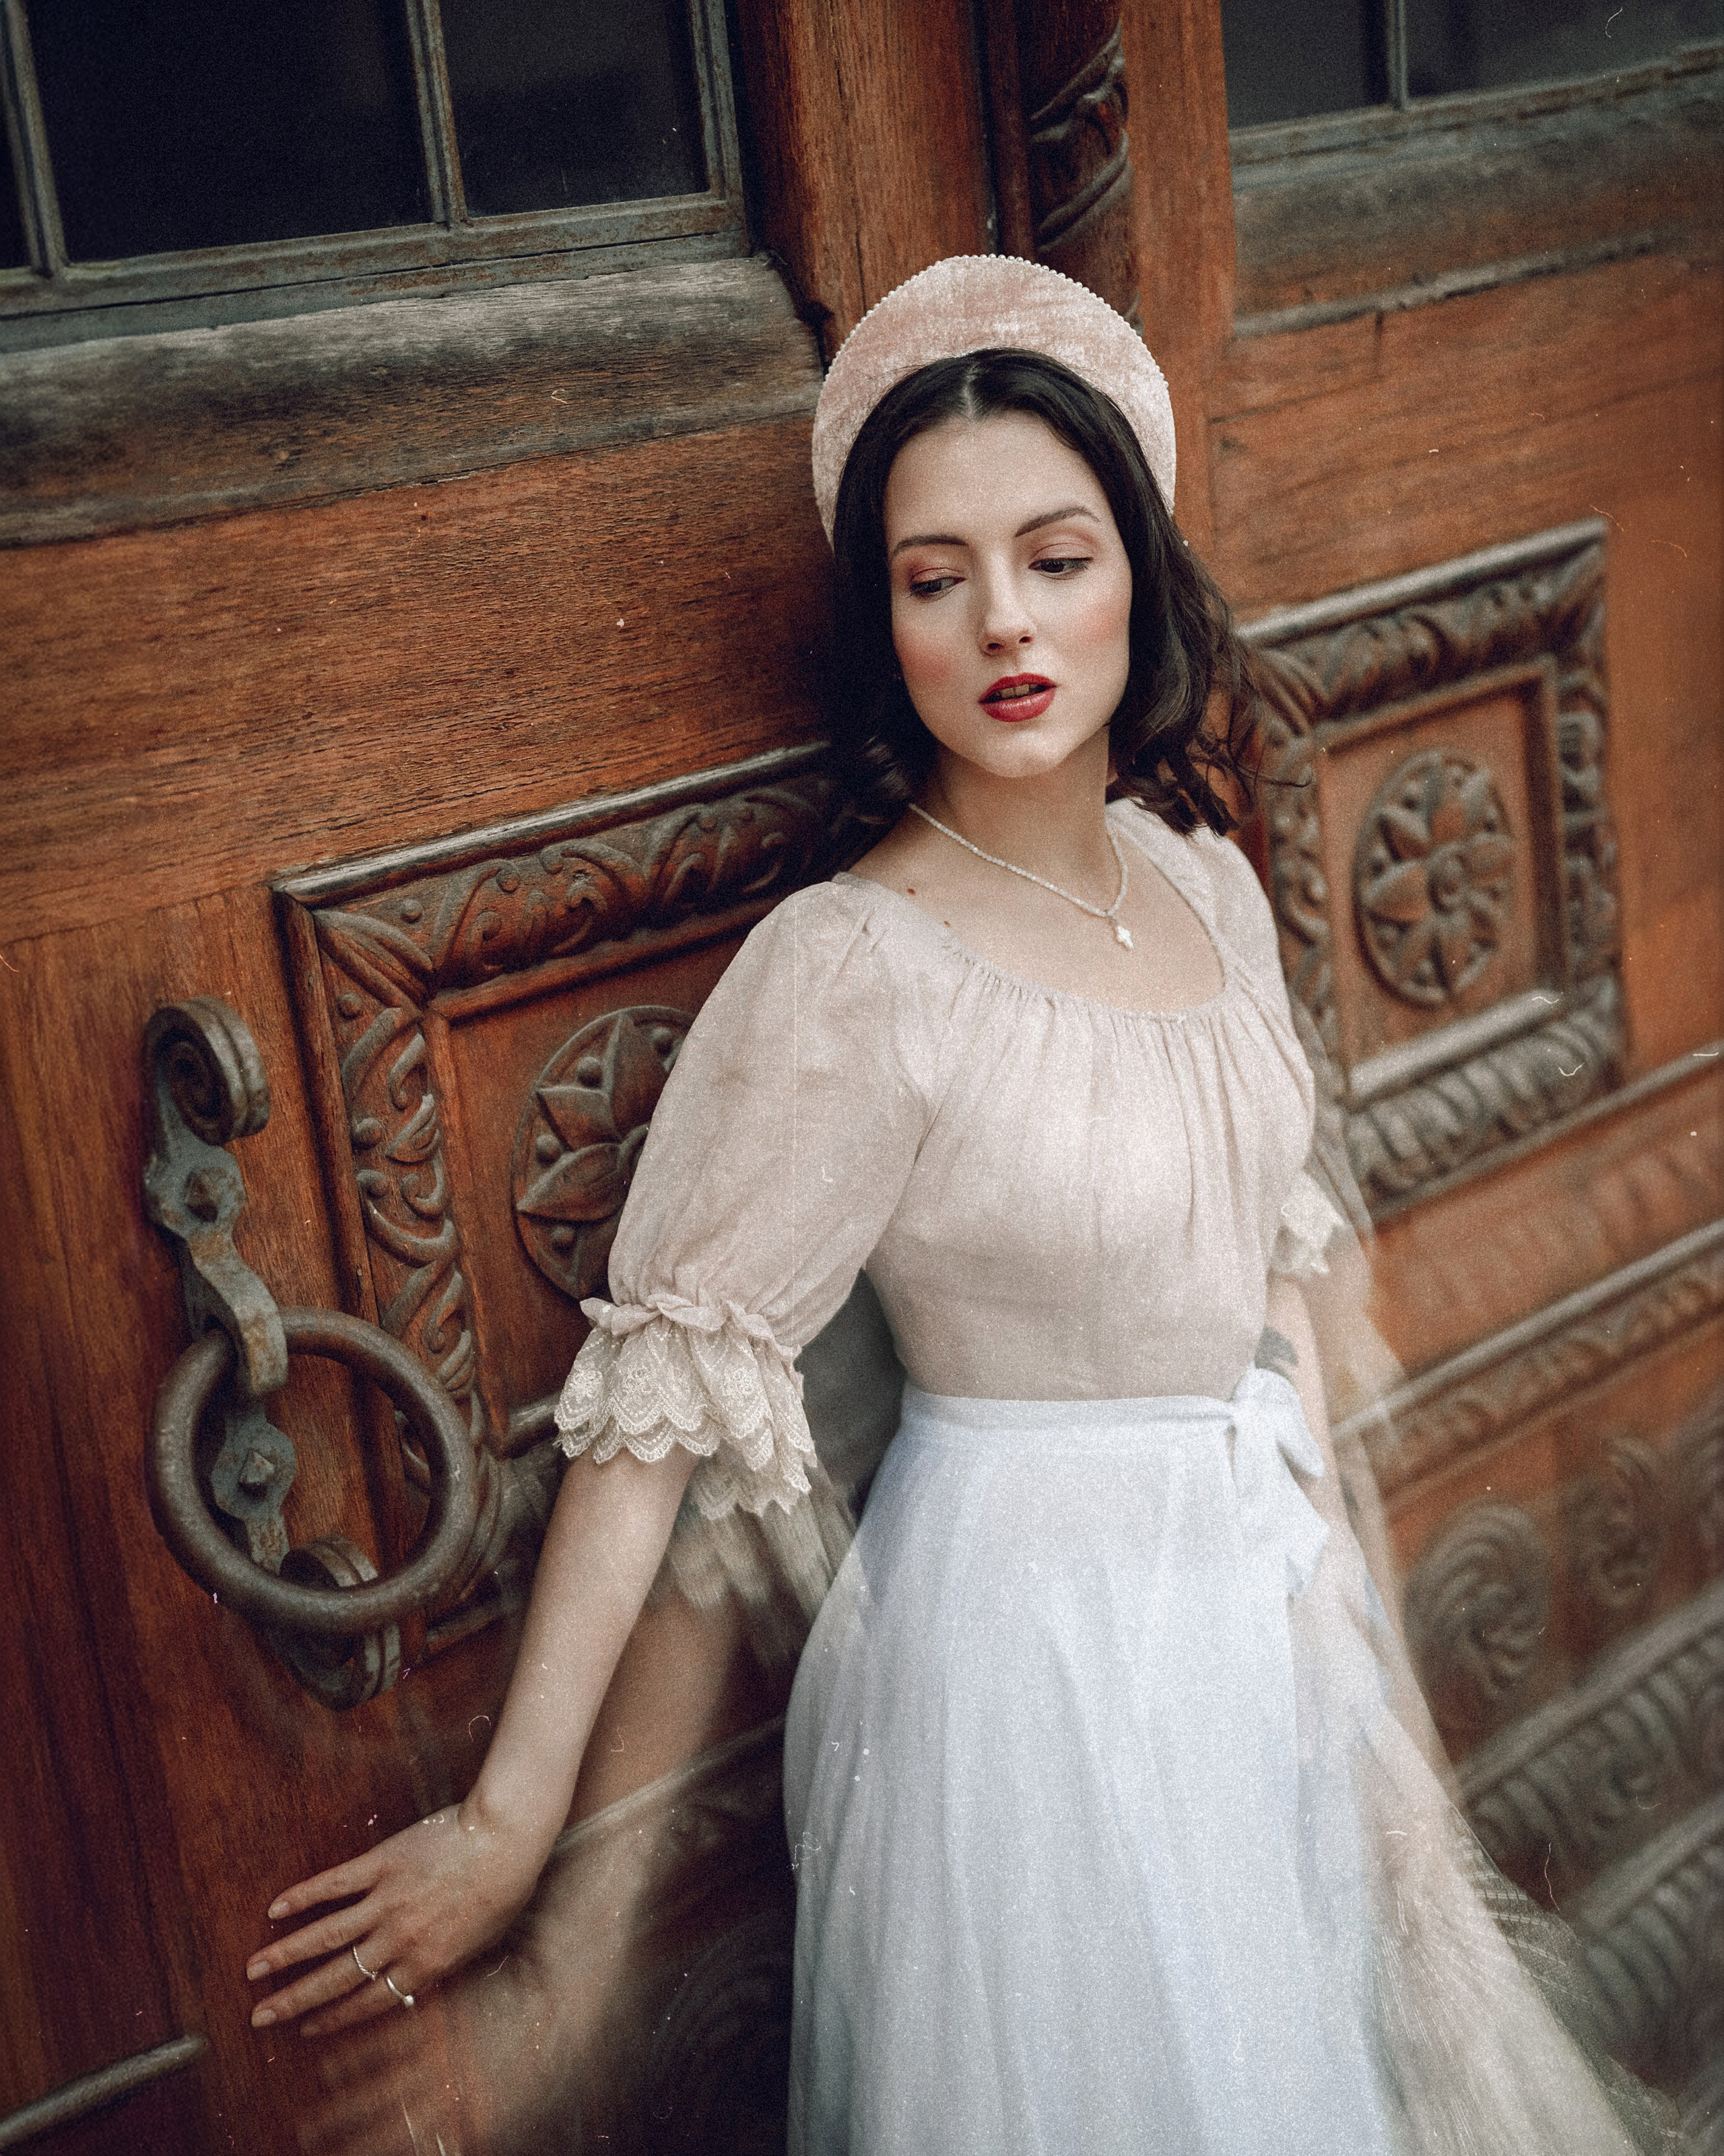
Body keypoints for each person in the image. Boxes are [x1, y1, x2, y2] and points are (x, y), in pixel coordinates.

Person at [246, 258, 1684, 2154]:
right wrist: (521, 1840)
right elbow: (675, 1408)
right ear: (887, 620)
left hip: (1259, 1624)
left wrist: (1368, 1689)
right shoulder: (856, 967)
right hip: (1031, 1665)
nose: (1002, 619)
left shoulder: (1209, 883)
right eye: (936, 578)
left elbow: (1276, 1305)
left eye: (1055, 555)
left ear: (1137, 577)